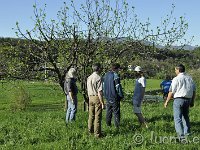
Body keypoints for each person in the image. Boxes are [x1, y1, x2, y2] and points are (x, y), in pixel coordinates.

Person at [164, 64, 196, 141]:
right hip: (188, 100)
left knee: (177, 118)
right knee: (185, 117)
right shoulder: (190, 78)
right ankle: (187, 134)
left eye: (175, 70)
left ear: (178, 70)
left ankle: (181, 137)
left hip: (178, 99)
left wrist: (167, 101)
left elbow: (171, 91)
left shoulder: (176, 79)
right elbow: (194, 91)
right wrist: (192, 101)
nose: (175, 71)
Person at [103, 63, 124, 130]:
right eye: (119, 69)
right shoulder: (115, 76)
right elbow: (118, 87)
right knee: (116, 112)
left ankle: (108, 125)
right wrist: (121, 96)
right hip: (114, 96)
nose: (119, 70)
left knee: (108, 111)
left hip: (107, 96)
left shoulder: (106, 75)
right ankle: (117, 127)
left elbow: (103, 86)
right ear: (117, 69)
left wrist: (105, 95)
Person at [87, 63, 105, 138]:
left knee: (91, 116)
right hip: (97, 97)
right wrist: (102, 102)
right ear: (99, 69)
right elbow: (99, 92)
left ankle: (90, 131)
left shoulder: (89, 77)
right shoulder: (98, 78)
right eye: (101, 68)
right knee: (98, 117)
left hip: (90, 97)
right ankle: (97, 134)